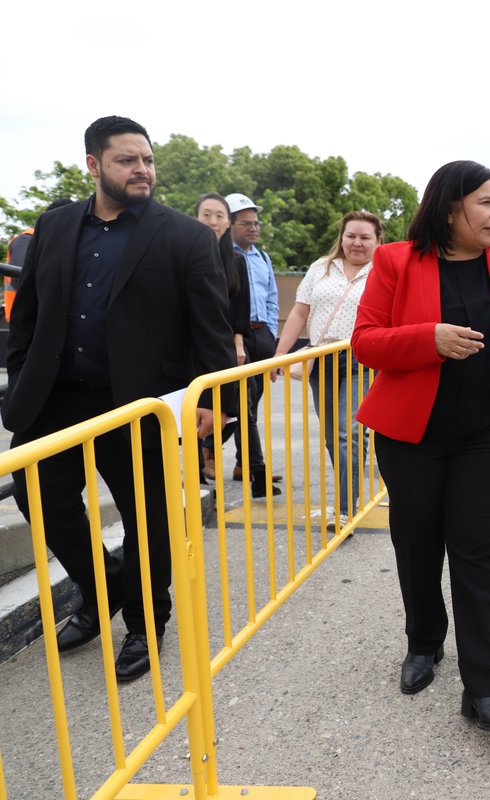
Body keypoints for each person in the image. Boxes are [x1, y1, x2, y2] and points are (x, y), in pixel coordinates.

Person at [2, 116, 236, 682]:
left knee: (147, 518)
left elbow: (211, 325)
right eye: (127, 160)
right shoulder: (54, 227)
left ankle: (146, 623)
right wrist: (21, 367)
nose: (142, 170)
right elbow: (28, 311)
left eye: (147, 160)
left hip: (140, 405)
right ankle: (100, 588)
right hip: (56, 399)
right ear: (94, 165)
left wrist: (215, 398)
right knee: (43, 501)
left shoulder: (185, 236)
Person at [352, 160, 490, 733]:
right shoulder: (395, 260)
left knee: (478, 549)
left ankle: (485, 687)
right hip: (413, 437)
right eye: (485, 201)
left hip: (486, 436)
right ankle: (424, 642)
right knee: (418, 542)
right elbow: (365, 343)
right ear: (450, 205)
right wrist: (426, 339)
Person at [274, 211, 382, 528]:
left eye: (365, 237)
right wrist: (280, 355)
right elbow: (299, 312)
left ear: (378, 241)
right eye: (351, 236)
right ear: (342, 237)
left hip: (361, 359)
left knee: (349, 433)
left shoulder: (383, 273)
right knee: (333, 437)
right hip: (321, 358)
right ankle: (350, 496)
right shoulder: (321, 268)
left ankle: (345, 509)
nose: (357, 243)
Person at [226, 191, 281, 497]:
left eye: (256, 223)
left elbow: (272, 298)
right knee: (241, 406)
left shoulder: (262, 258)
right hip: (236, 336)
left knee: (251, 403)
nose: (254, 229)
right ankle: (256, 470)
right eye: (246, 223)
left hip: (260, 336)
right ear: (231, 225)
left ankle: (239, 462)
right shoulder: (223, 255)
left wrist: (270, 336)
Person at [194, 193, 251, 483]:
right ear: (196, 218)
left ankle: (243, 463)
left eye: (219, 215)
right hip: (192, 345)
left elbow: (241, 305)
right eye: (207, 214)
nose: (213, 221)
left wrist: (238, 342)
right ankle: (197, 472)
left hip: (226, 346)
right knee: (192, 408)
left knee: (237, 406)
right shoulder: (184, 255)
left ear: (228, 222)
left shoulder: (236, 261)